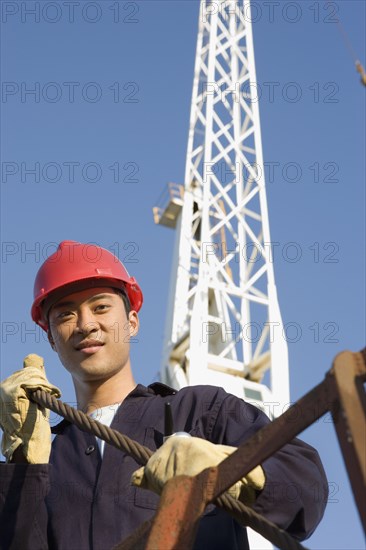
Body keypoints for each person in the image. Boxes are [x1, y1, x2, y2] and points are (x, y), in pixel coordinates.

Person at [0, 240, 328, 550]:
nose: (86, 324)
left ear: (132, 322)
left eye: (100, 307)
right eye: (65, 315)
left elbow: (306, 487)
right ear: (52, 339)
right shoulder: (45, 462)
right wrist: (22, 466)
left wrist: (233, 469)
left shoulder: (201, 411)